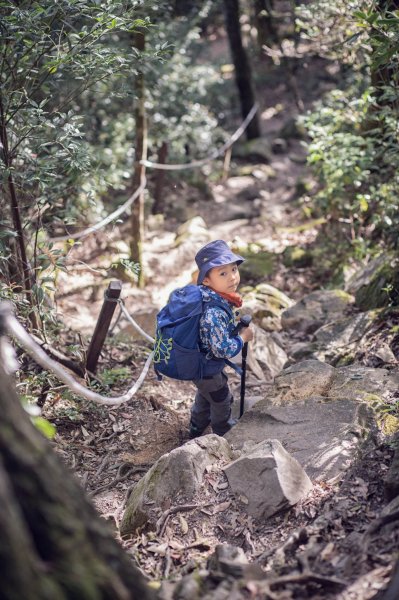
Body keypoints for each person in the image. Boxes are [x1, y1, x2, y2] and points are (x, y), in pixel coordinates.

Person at [189, 239, 254, 438]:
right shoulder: (214, 311)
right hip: (207, 367)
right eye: (223, 273)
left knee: (205, 395)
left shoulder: (210, 298)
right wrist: (242, 338)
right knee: (221, 399)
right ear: (206, 280)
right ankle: (222, 432)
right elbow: (221, 349)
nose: (232, 277)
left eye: (234, 269)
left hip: (198, 365)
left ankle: (195, 427)